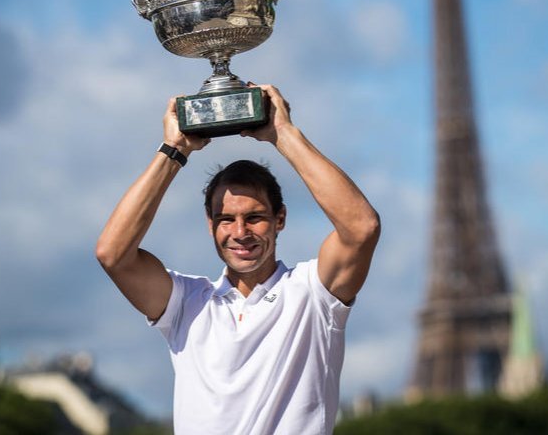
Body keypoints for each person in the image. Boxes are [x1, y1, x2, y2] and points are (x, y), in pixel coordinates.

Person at [96, 84, 381, 435]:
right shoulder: (186, 303)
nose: (240, 231)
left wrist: (284, 135)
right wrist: (175, 149)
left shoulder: (313, 293)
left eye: (255, 217)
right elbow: (113, 254)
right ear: (210, 224)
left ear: (280, 220)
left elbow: (361, 228)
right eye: (226, 219)